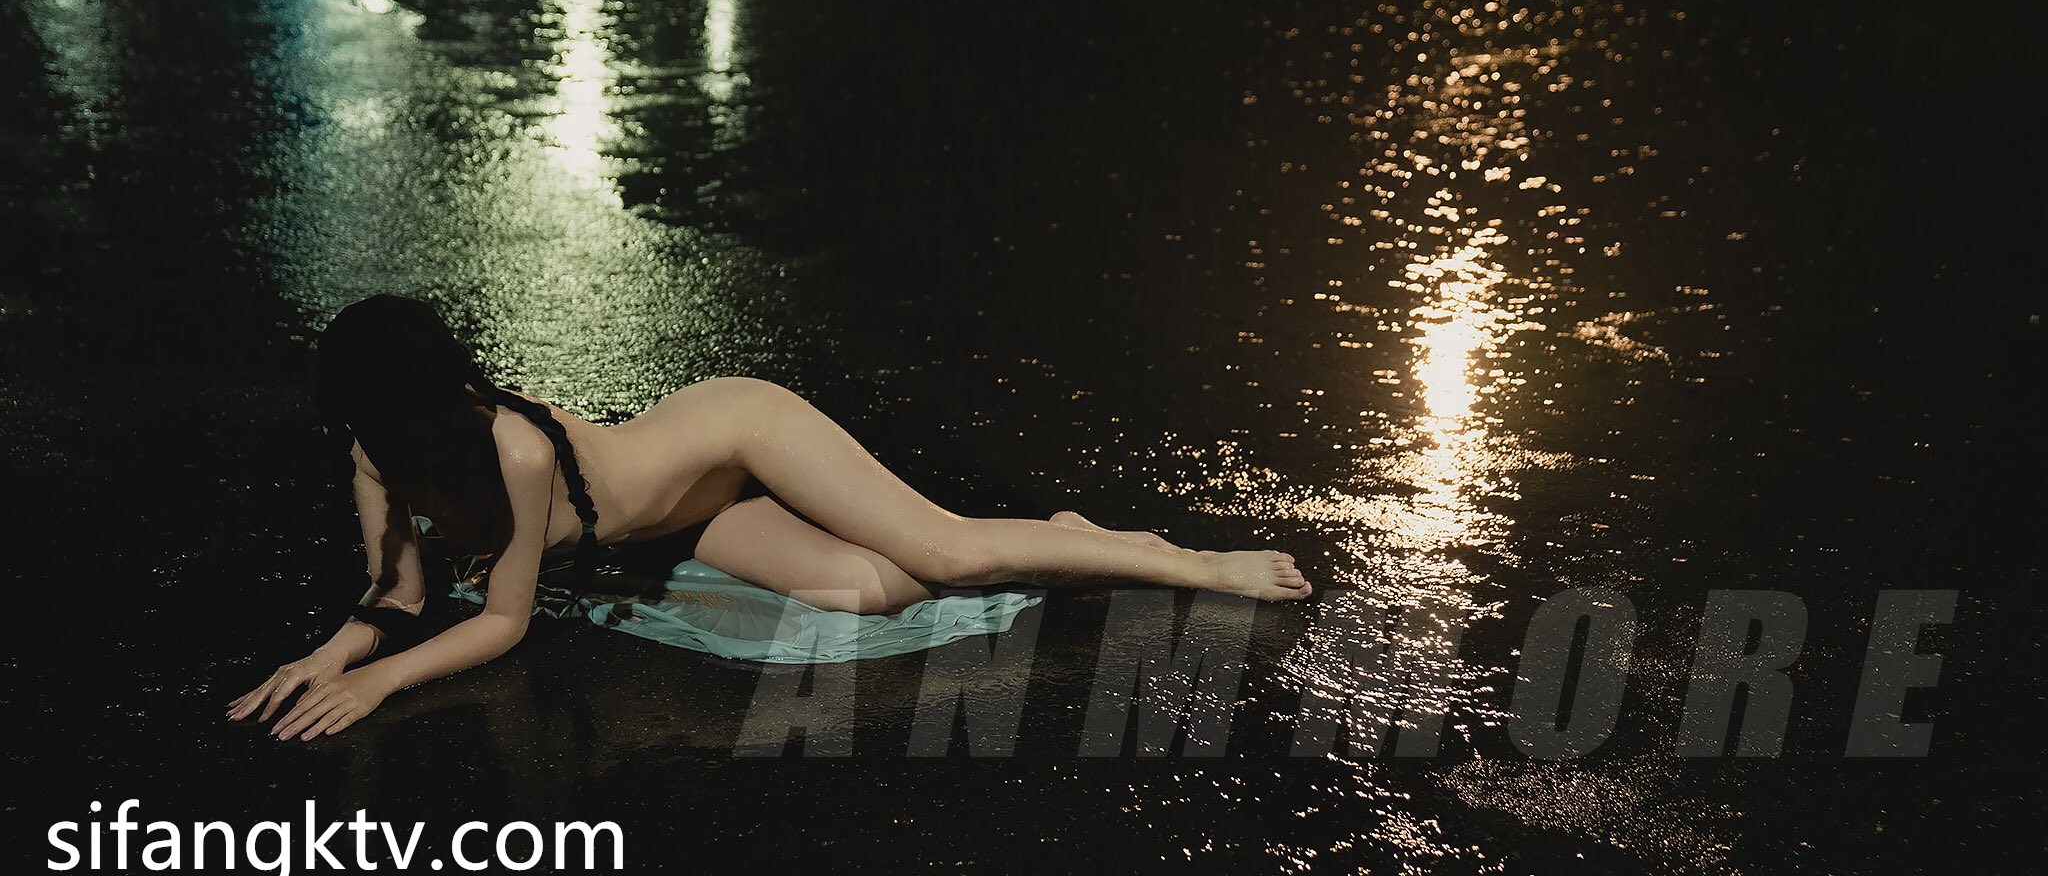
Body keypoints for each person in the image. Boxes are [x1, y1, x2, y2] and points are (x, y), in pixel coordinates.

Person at [228, 295, 1312, 740]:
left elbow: (503, 620)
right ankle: (1073, 543)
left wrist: (380, 682)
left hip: (731, 434)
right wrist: (325, 657)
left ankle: (1190, 564)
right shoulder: (375, 454)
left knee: (942, 551)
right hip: (672, 528)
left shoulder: (511, 444)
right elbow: (399, 592)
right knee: (873, 591)